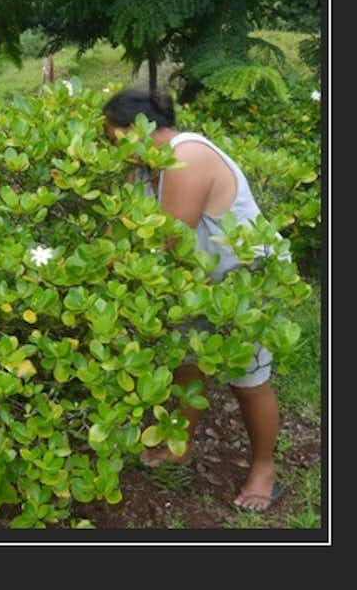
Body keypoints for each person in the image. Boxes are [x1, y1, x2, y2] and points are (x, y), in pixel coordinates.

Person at [102, 89, 282, 512]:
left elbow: (168, 241)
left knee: (248, 381)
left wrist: (119, 277)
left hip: (243, 285)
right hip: (195, 284)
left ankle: (264, 469)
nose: (112, 149)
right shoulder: (144, 165)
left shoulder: (187, 156)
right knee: (188, 363)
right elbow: (122, 227)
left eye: (114, 138)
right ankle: (179, 445)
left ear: (138, 129)